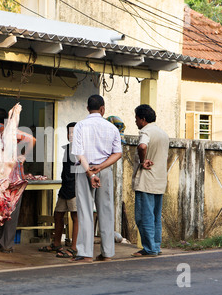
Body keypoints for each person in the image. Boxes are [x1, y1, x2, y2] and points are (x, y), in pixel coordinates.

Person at [71, 94, 122, 263]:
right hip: (105, 170)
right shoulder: (112, 128)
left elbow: (79, 153)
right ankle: (107, 254)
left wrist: (91, 173)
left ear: (87, 108)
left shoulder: (80, 126)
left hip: (83, 169)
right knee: (106, 210)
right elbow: (118, 153)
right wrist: (100, 168)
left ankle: (86, 254)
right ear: (102, 109)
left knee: (85, 211)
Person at [0, 107, 36, 253]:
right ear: (7, 120)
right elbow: (33, 140)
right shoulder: (13, 133)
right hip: (14, 179)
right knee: (12, 210)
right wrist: (23, 156)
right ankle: (7, 245)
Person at [131, 104, 169, 257]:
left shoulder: (145, 131)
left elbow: (142, 146)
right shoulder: (163, 133)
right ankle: (156, 246)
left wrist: (143, 160)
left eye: (137, 119)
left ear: (143, 119)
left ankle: (149, 248)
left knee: (143, 216)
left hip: (146, 180)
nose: (136, 122)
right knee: (155, 216)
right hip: (159, 180)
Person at [39, 122, 79, 258]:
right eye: (69, 133)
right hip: (65, 187)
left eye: (74, 133)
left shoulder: (81, 150)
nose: (71, 135)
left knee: (75, 217)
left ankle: (74, 247)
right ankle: (56, 243)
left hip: (75, 188)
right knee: (58, 214)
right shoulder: (68, 148)